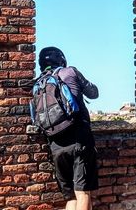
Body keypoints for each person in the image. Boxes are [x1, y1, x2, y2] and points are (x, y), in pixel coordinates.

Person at [35, 47, 99, 210]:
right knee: (83, 193)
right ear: (62, 60)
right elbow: (94, 93)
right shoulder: (70, 72)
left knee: (70, 196)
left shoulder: (38, 84)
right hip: (79, 139)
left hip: (55, 144)